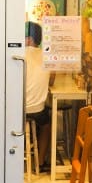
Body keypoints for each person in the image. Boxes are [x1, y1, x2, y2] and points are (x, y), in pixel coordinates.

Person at [24, 21, 54, 172]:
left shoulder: (18, 54)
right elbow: (52, 81)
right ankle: (40, 162)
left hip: (18, 110)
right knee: (46, 125)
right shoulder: (47, 55)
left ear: (29, 39)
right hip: (37, 110)